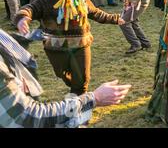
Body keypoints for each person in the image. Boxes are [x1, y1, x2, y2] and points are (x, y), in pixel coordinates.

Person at [15, 0, 125, 95]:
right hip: (56, 47)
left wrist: (116, 19)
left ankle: (78, 101)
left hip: (81, 44)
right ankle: (76, 91)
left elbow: (96, 13)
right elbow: (30, 8)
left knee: (82, 80)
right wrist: (23, 18)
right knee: (62, 74)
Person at [0, 29, 131, 128]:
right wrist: (93, 99)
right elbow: (27, 116)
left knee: (81, 79)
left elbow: (94, 11)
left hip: (81, 46)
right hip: (60, 51)